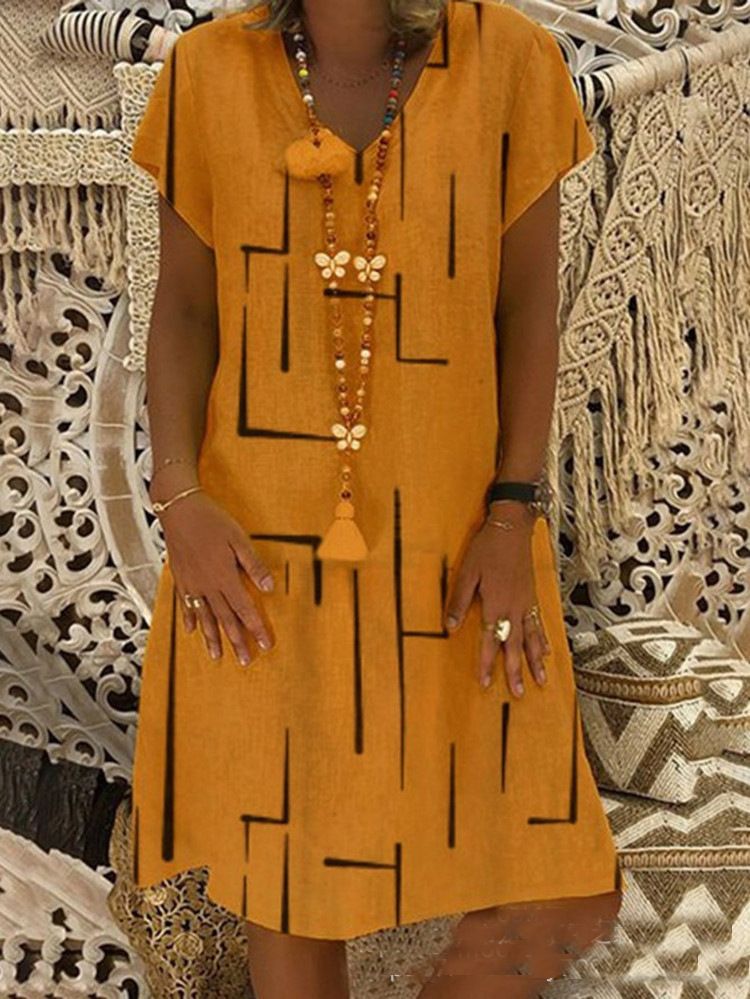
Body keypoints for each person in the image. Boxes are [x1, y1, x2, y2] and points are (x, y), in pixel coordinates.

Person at [128, 0, 625, 994]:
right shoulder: (207, 73)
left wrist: (510, 513)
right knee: (287, 875)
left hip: (462, 546)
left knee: (563, 885)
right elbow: (182, 309)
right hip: (257, 550)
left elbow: (528, 311)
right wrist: (178, 498)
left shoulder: (512, 63)